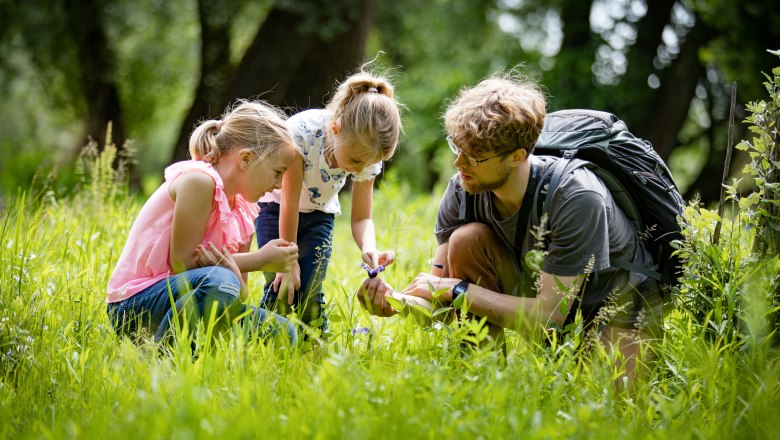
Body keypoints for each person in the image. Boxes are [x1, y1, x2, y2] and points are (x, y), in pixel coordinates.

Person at [358, 74, 663, 379]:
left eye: (475, 157)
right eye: (457, 147)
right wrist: (394, 302)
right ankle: (483, 378)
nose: (459, 164)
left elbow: (548, 316)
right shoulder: (463, 189)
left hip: (618, 305)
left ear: (517, 156)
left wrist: (458, 290)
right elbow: (436, 296)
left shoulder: (577, 196)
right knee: (465, 240)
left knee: (608, 407)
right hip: (546, 299)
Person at [107, 100, 301, 345]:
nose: (278, 184)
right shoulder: (199, 181)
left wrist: (231, 271)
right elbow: (184, 262)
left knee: (283, 332)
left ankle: (198, 354)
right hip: (136, 305)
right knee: (221, 282)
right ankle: (165, 361)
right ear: (245, 159)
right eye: (277, 172)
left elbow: (238, 293)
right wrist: (261, 260)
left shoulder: (244, 210)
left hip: (201, 295)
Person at [255, 69, 403, 337]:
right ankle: (265, 337)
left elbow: (361, 218)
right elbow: (289, 202)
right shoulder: (303, 134)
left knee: (310, 287)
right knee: (280, 284)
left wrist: (369, 248)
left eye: (369, 164)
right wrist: (289, 262)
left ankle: (312, 343)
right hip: (275, 209)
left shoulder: (366, 155)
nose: (361, 170)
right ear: (336, 129)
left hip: (319, 214)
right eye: (357, 161)